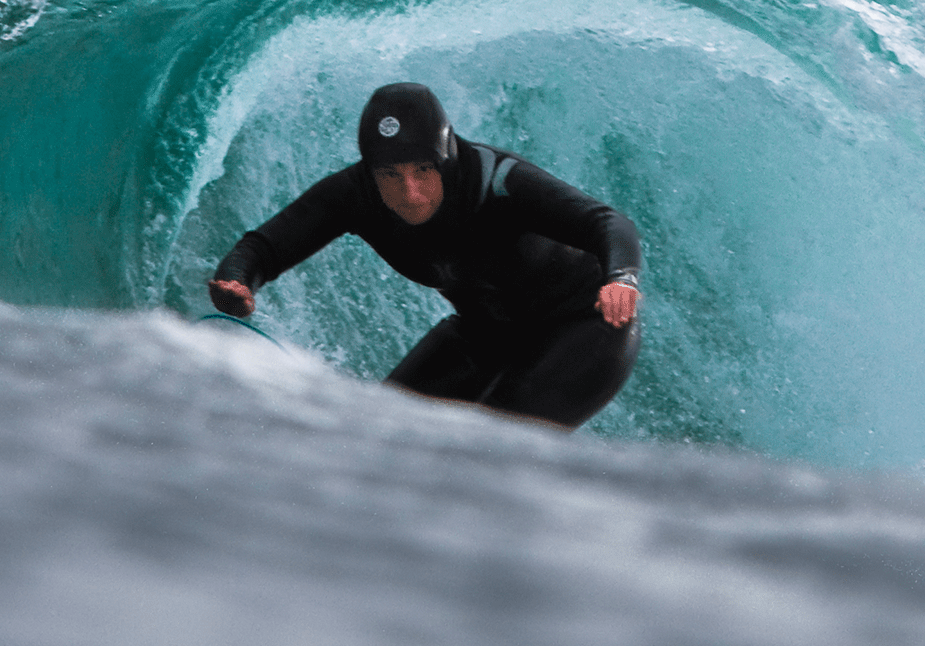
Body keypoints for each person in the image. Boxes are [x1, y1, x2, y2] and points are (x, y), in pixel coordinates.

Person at [208, 83, 644, 430]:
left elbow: (607, 222)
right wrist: (238, 279)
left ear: (446, 161)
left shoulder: (498, 182)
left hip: (582, 328)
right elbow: (264, 247)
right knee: (377, 432)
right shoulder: (356, 195)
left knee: (489, 449)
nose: (409, 192)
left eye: (422, 171)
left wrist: (621, 277)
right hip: (484, 334)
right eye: (390, 175)